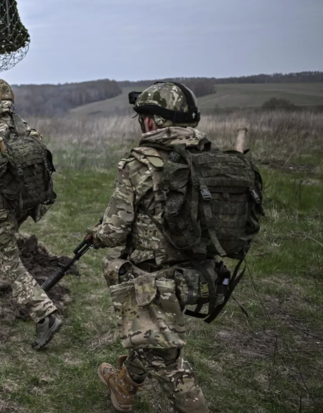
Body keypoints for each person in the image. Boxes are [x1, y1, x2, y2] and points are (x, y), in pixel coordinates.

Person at [91, 82, 212, 412]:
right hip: (198, 273)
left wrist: (96, 235)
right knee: (150, 339)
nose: (142, 123)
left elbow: (115, 231)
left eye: (143, 116)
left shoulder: (139, 163)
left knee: (171, 364)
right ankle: (125, 385)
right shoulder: (205, 157)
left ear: (153, 121)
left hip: (153, 280)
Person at [0, 77, 62, 350]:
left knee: (11, 264)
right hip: (22, 206)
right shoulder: (24, 127)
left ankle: (45, 314)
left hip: (0, 207)